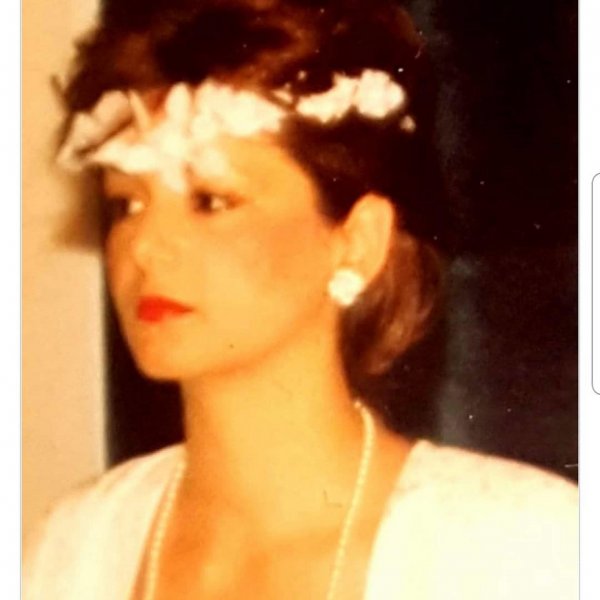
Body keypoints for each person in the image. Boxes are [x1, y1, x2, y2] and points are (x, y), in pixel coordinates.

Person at [24, 1, 577, 598]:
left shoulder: (520, 551)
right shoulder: (74, 548)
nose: (145, 246)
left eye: (211, 200)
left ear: (357, 242)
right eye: (126, 203)